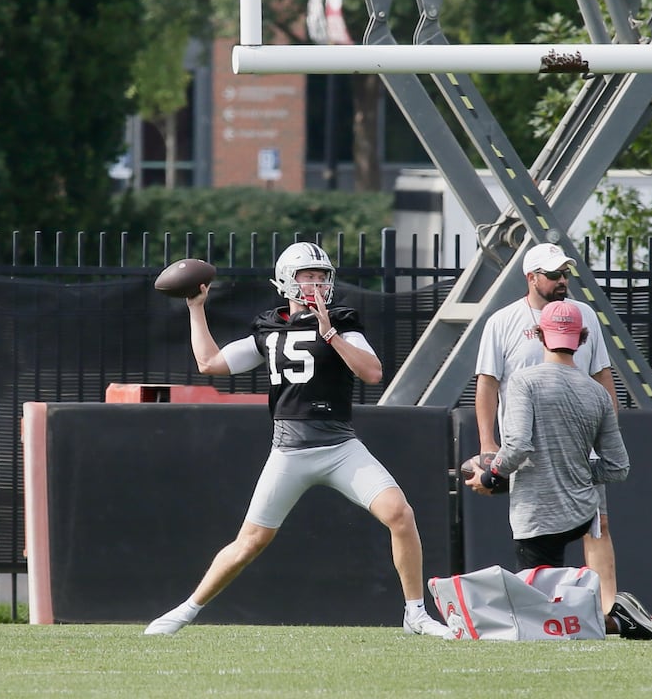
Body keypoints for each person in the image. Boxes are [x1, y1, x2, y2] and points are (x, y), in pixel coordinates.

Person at [145, 241, 450, 638]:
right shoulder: (269, 327)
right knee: (250, 541)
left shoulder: (342, 321)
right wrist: (196, 308)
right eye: (308, 276)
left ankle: (415, 614)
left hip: (340, 447)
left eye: (322, 277)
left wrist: (331, 335)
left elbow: (372, 373)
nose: (317, 284)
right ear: (288, 281)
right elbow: (211, 363)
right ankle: (184, 612)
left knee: (400, 514)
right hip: (289, 451)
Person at [463, 301, 652, 640]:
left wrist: (491, 475)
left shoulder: (523, 382)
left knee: (537, 613)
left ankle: (615, 621)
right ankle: (613, 613)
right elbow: (618, 468)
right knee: (544, 606)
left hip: (536, 510)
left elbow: (517, 447)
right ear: (582, 339)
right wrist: (574, 470)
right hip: (581, 511)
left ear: (540, 335)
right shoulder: (598, 394)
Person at [474, 242, 622, 615]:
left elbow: (602, 376)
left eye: (565, 274)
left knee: (598, 525)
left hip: (579, 449)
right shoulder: (503, 321)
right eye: (553, 275)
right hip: (528, 452)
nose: (562, 281)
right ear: (531, 278)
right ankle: (544, 611)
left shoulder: (584, 314)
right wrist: (489, 445)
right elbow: (488, 384)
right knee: (536, 531)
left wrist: (608, 428)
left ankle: (605, 612)